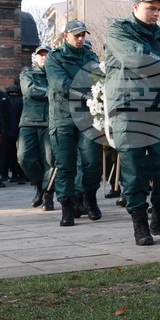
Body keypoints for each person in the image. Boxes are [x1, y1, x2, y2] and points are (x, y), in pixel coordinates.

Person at [105, 0, 160, 246]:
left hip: (158, 107)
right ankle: (139, 223)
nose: (156, 13)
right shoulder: (119, 30)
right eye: (151, 8)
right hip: (129, 108)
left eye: (159, 9)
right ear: (136, 6)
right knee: (134, 170)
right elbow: (137, 58)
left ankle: (159, 218)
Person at [47, 21, 104, 225]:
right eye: (76, 35)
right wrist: (91, 93)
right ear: (66, 37)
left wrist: (99, 93)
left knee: (92, 163)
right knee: (65, 165)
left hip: (88, 117)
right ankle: (67, 205)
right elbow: (62, 85)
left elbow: (100, 81)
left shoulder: (91, 56)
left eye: (83, 35)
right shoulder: (55, 58)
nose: (80, 39)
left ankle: (88, 197)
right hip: (63, 117)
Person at [18, 45, 55, 209]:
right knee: (24, 157)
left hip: (50, 123)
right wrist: (52, 91)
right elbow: (30, 90)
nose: (43, 58)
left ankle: (47, 194)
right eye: (40, 55)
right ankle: (39, 184)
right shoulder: (27, 74)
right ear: (35, 57)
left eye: (47, 55)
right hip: (29, 122)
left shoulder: (56, 75)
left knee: (50, 161)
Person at [3, 84, 24, 183]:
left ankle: (12, 175)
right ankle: (18, 175)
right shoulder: (21, 100)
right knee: (15, 155)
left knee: (10, 155)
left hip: (13, 130)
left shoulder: (8, 100)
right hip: (16, 130)